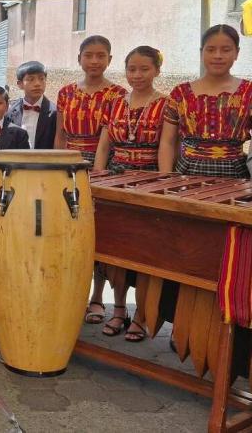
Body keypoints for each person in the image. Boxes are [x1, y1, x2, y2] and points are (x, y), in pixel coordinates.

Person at [93, 46, 167, 342]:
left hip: (149, 180)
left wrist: (163, 184)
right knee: (117, 252)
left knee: (146, 253)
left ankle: (141, 315)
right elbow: (103, 145)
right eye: (132, 69)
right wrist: (97, 180)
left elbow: (168, 146)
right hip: (115, 179)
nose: (137, 75)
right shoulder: (114, 103)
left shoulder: (167, 104)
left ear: (157, 71)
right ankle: (119, 309)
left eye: (144, 69)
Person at [54, 35, 127, 325]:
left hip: (102, 165)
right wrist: (56, 165)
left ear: (109, 59)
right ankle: (73, 295)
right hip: (66, 164)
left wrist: (96, 173)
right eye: (89, 55)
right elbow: (60, 134)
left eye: (101, 56)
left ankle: (98, 297)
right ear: (79, 58)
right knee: (70, 235)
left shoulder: (118, 94)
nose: (94, 61)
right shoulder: (66, 92)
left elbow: (108, 140)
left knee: (101, 235)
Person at [159, 24, 251, 179]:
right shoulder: (180, 94)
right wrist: (165, 179)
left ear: (237, 53)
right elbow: (167, 142)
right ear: (201, 53)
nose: (218, 55)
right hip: (186, 173)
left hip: (236, 175)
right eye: (211, 49)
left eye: (226, 50)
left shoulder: (248, 92)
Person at [5, 61, 57, 149]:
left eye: (41, 79)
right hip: (16, 161)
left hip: (45, 161)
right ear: (20, 84)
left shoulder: (55, 112)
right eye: (31, 79)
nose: (37, 84)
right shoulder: (10, 111)